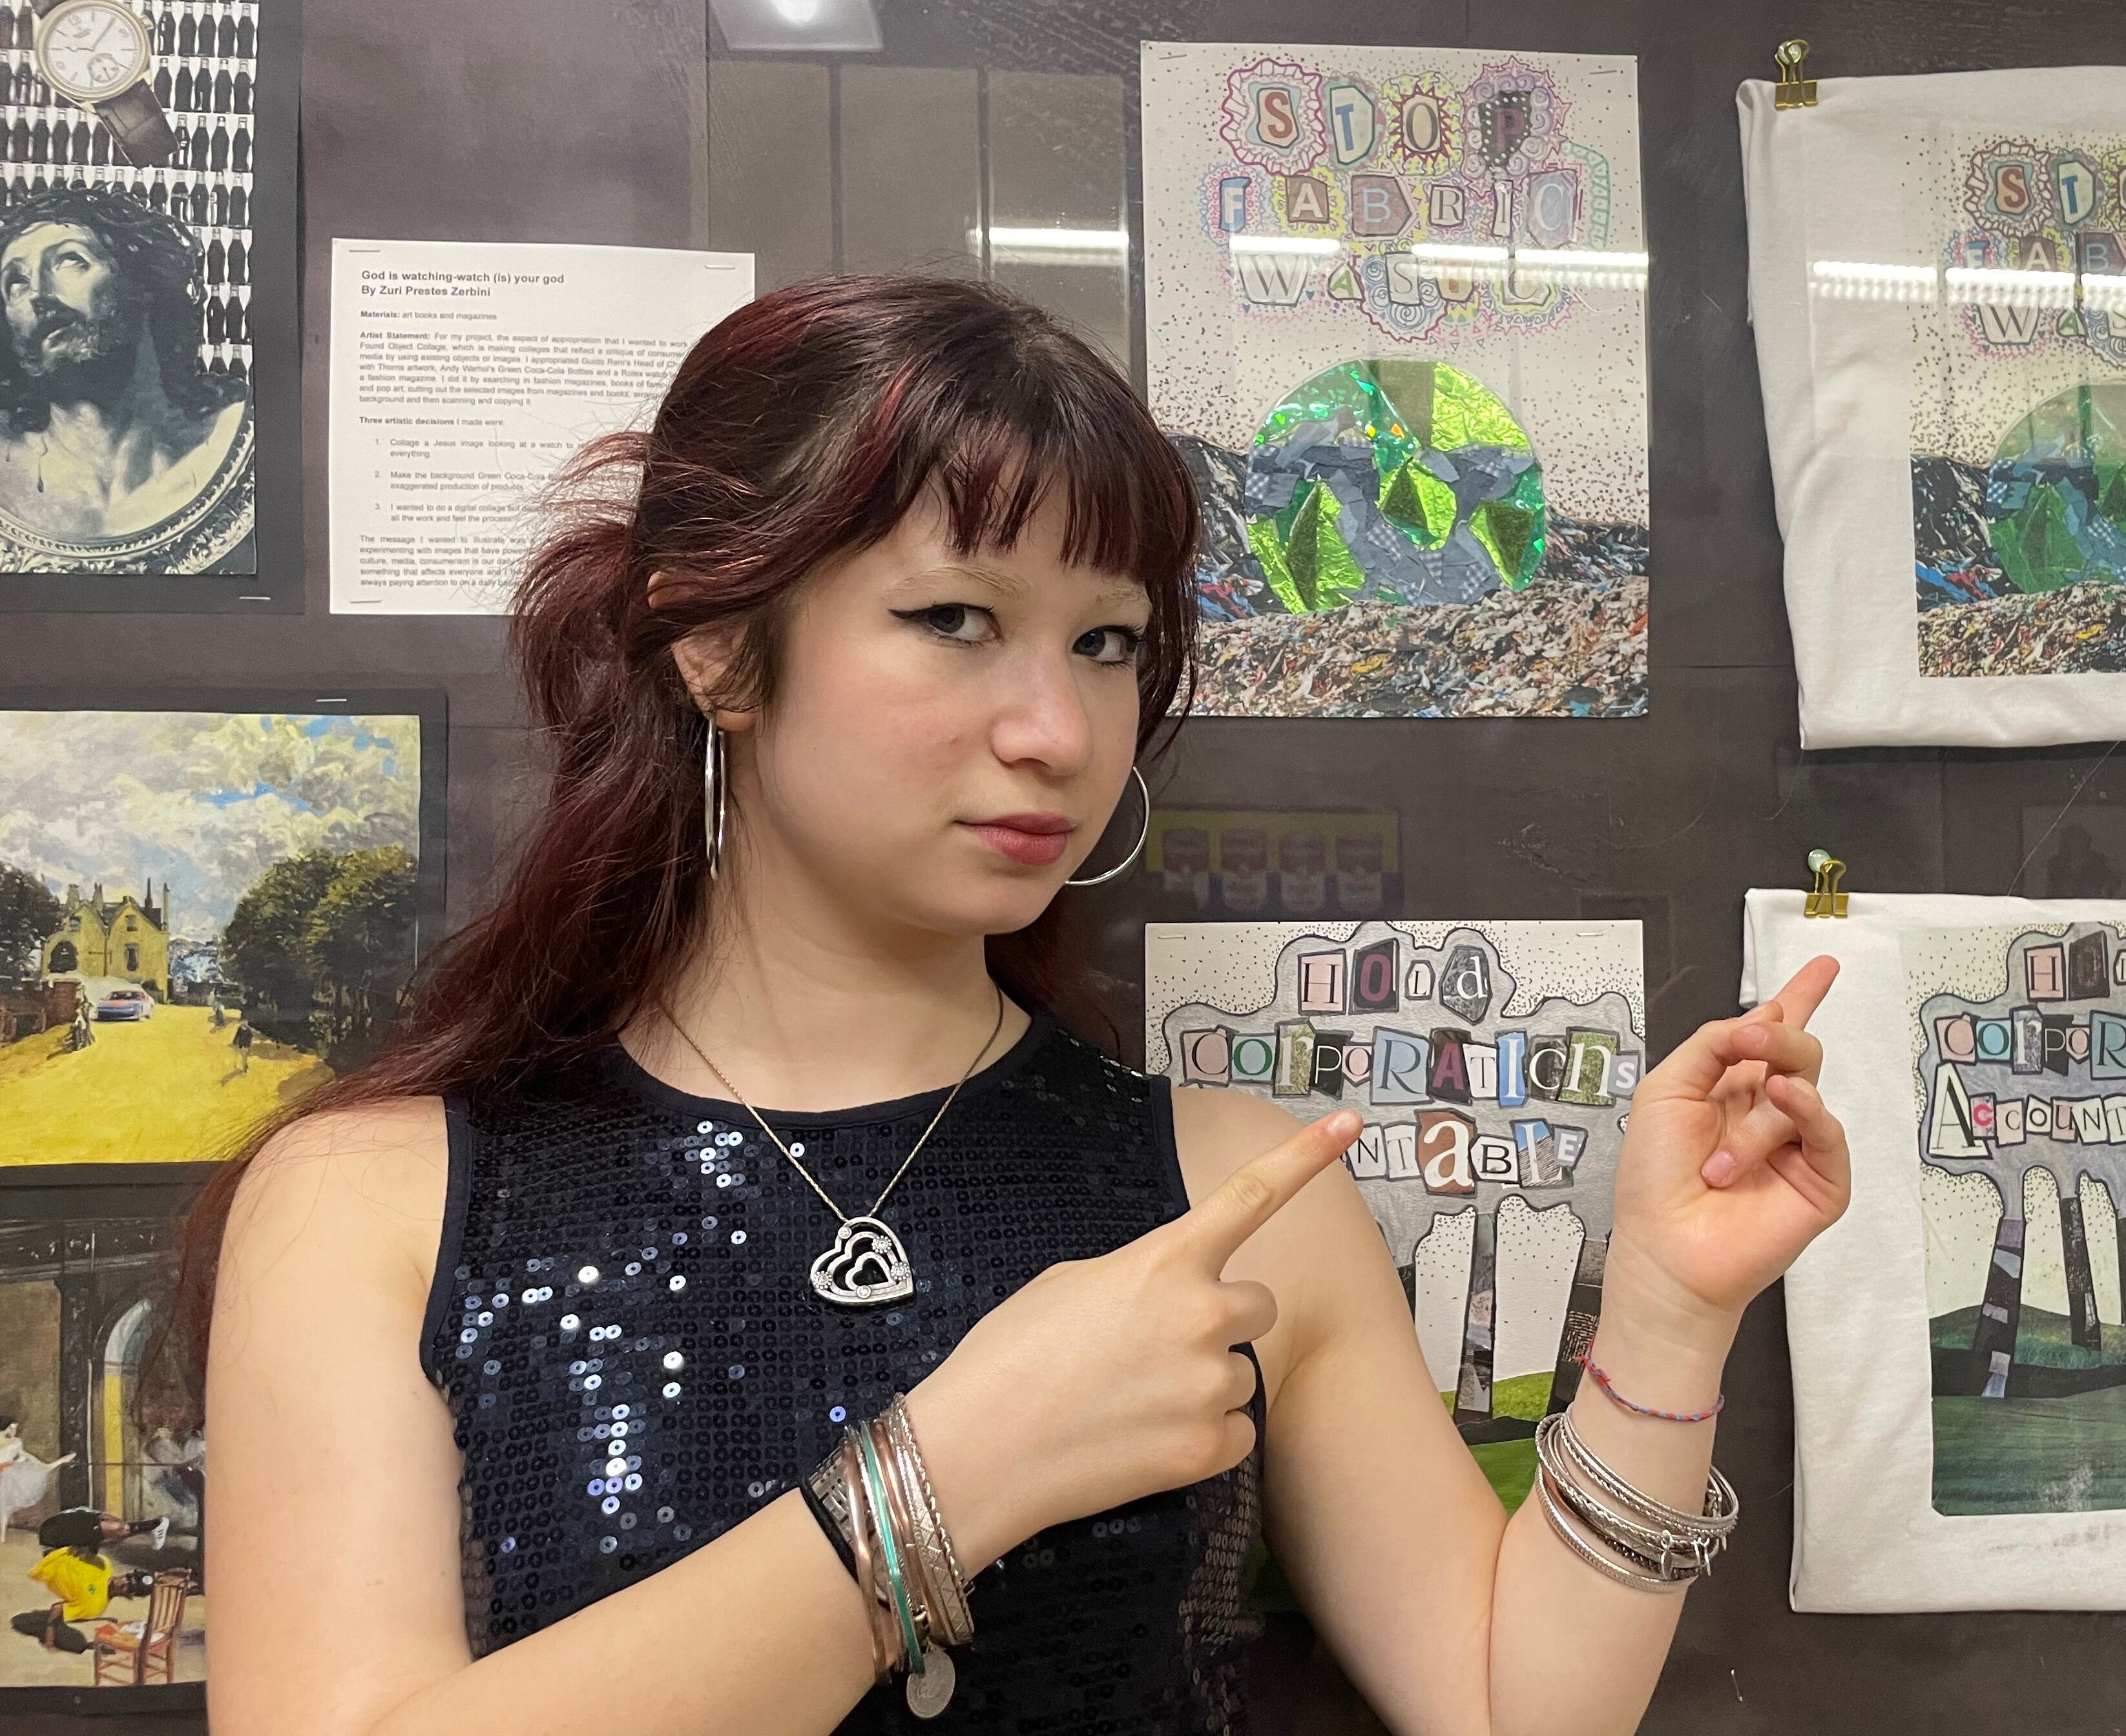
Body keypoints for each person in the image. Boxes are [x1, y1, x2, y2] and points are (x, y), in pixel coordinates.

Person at [164, 276, 1851, 1735]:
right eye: (955, 620)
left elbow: (1506, 1704)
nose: (1055, 726)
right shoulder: (377, 1200)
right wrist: (949, 1477)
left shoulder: (1238, 1191)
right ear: (717, 644)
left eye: (1109, 644)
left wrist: (1668, 1316)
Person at [0, 185, 253, 567]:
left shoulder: (242, 440)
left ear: (145, 285)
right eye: (15, 282)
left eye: (71, 261)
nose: (38, 293)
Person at [13, 1509, 152, 1653]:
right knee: (112, 1531)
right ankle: (143, 1525)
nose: (124, 1583)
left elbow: (57, 1608)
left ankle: (98, 1516)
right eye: (128, 1578)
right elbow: (88, 1548)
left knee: (111, 1529)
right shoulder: (105, 1566)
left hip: (51, 1545)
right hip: (64, 1538)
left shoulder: (94, 1606)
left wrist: (49, 1639)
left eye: (129, 1588)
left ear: (129, 1596)